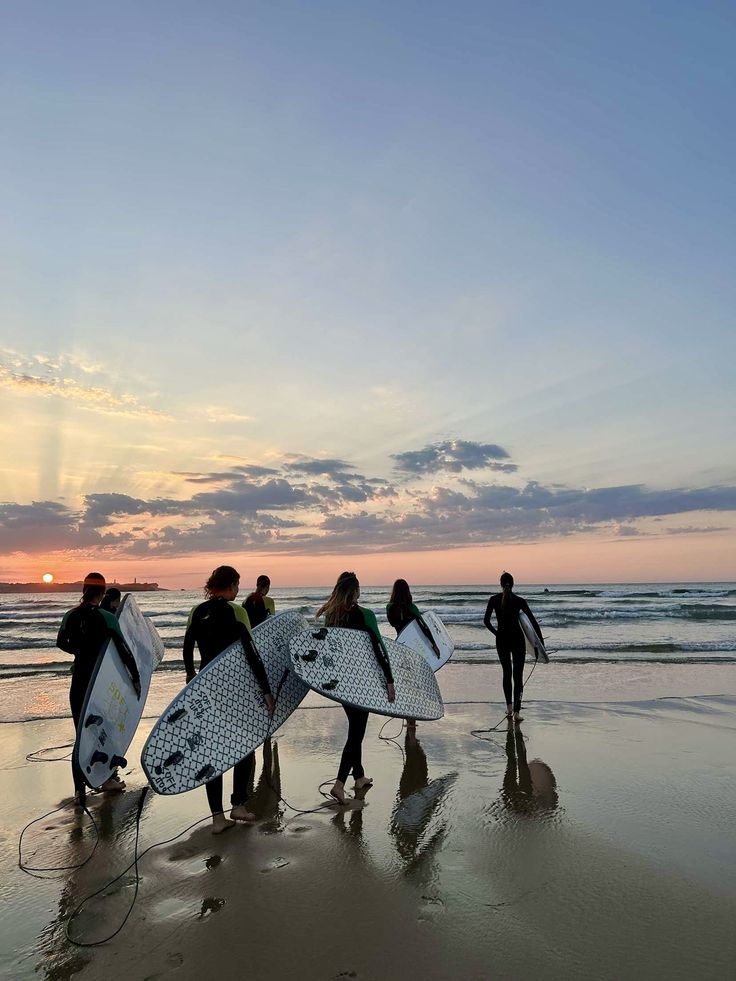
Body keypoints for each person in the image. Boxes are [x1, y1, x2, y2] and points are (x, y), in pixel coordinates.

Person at [183, 565, 275, 834]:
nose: (238, 590)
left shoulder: (197, 612)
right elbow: (251, 653)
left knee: (214, 749)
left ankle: (217, 818)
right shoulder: (237, 612)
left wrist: (190, 675)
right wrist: (266, 691)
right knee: (243, 745)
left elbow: (188, 646)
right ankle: (238, 805)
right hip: (236, 688)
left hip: (207, 688)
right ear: (232, 584)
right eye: (237, 585)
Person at [57, 572, 141, 805]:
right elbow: (124, 650)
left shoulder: (71, 615)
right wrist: (135, 678)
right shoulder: (106, 618)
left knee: (82, 736)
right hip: (101, 683)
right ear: (102, 593)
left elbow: (61, 642)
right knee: (108, 731)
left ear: (84, 589)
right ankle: (107, 779)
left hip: (79, 683)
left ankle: (78, 792)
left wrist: (79, 651)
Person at [316, 572, 396, 804]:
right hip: (363, 682)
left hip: (341, 683)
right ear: (356, 590)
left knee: (355, 725)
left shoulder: (331, 617)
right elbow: (379, 650)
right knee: (357, 733)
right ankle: (339, 784)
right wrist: (389, 680)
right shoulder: (364, 615)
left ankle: (359, 776)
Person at [483, 572, 544, 723]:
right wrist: (540, 645)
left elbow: (486, 621)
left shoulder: (494, 600)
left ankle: (509, 709)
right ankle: (517, 712)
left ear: (500, 584)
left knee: (506, 673)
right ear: (513, 584)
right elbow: (533, 623)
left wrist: (497, 633)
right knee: (518, 676)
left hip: (502, 640)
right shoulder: (519, 601)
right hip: (517, 640)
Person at [386, 578, 440, 730]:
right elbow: (423, 626)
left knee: (405, 683)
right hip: (414, 650)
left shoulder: (390, 607)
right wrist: (434, 644)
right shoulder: (412, 607)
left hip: (400, 647)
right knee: (415, 685)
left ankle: (407, 716)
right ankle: (412, 720)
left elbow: (393, 623)